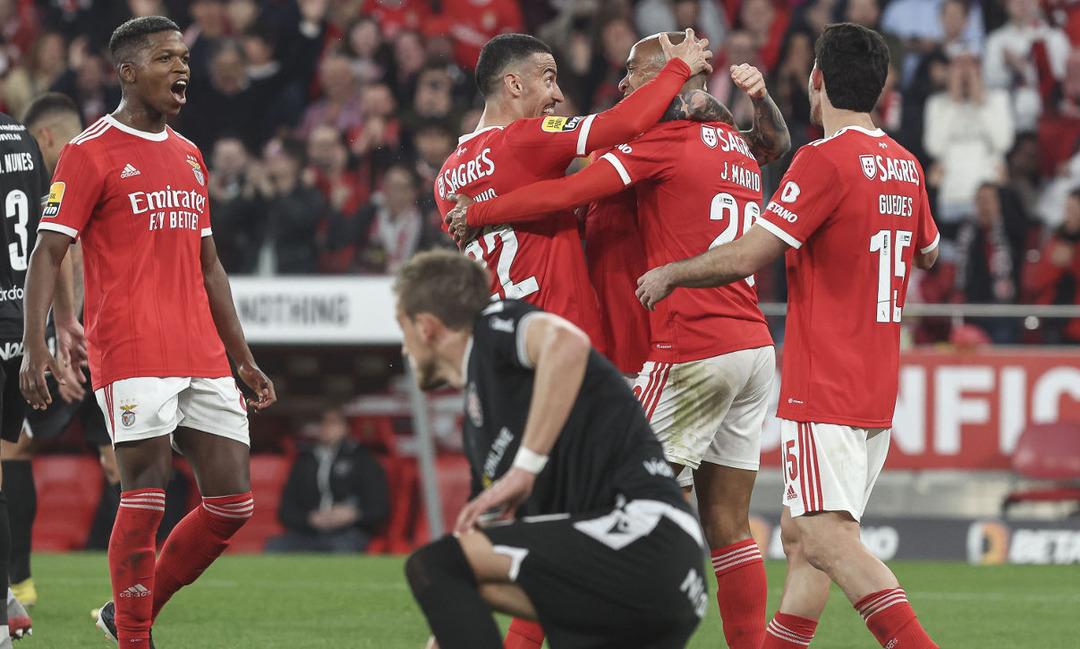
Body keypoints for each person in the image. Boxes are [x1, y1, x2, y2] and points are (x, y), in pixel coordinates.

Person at [447, 31, 789, 649]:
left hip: (660, 351)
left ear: (669, 78)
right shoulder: (721, 147)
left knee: (598, 516)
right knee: (725, 524)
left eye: (635, 72)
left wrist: (483, 210)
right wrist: (754, 106)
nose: (623, 83)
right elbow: (769, 146)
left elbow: (572, 187)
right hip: (743, 346)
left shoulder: (641, 147)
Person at [634, 23, 941, 649]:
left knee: (826, 539)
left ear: (818, 80)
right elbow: (929, 253)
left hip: (823, 382)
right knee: (805, 544)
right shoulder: (905, 165)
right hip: (877, 387)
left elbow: (752, 253)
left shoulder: (824, 160)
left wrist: (674, 271)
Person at [19, 16, 277, 648]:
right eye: (167, 58)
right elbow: (48, 252)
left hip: (202, 350)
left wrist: (242, 357)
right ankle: (136, 640)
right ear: (128, 72)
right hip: (132, 348)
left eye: (184, 57)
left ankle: (124, 613)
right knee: (145, 496)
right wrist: (39, 343)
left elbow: (209, 265)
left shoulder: (190, 156)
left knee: (231, 504)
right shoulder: (88, 152)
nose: (182, 68)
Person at [397, 250, 707, 649]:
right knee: (454, 571)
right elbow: (476, 563)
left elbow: (566, 342)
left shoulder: (494, 324)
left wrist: (526, 466)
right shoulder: (481, 429)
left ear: (425, 327)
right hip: (626, 584)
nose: (404, 351)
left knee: (433, 563)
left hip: (646, 539)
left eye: (401, 329)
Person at [1, 93, 119, 611]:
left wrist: (57, 335)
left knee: (11, 452)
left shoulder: (59, 175)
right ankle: (137, 591)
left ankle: (16, 586)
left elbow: (59, 254)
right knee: (125, 459)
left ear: (43, 136)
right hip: (97, 337)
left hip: (52, 338)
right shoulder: (91, 163)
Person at [0, 99, 71, 646]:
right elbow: (54, 239)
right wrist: (61, 321)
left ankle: (8, 594)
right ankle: (9, 596)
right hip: (21, 329)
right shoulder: (23, 141)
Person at [267, 406, 390, 553]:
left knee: (342, 548)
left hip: (348, 532)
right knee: (276, 547)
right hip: (308, 532)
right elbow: (286, 511)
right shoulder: (305, 461)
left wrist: (353, 514)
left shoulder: (363, 460)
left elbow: (379, 508)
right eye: (322, 423)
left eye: (333, 423)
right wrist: (310, 519)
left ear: (346, 428)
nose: (326, 428)